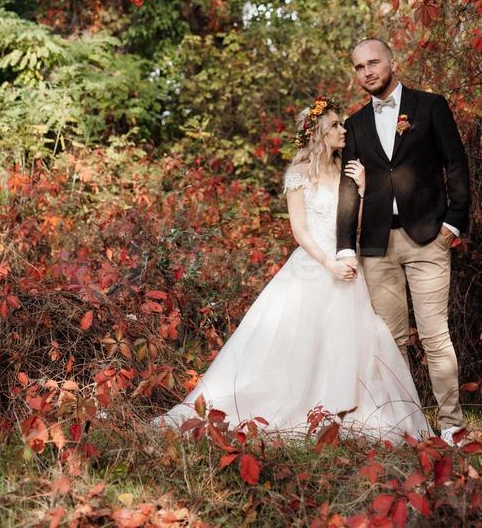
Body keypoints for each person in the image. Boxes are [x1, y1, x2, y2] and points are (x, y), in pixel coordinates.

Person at [152, 97, 429, 441]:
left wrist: (362, 188)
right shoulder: (298, 174)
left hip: (347, 264)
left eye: (343, 124)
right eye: (335, 126)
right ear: (318, 134)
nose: (344, 130)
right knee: (299, 341)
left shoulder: (347, 170)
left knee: (351, 341)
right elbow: (299, 231)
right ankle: (298, 409)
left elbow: (354, 225)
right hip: (315, 266)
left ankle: (344, 409)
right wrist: (330, 263)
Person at [336, 38, 470, 447]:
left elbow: (456, 164)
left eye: (373, 62)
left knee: (434, 337)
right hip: (377, 245)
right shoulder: (356, 124)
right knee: (391, 342)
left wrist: (454, 224)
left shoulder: (430, 106)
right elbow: (348, 187)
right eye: (359, 67)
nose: (367, 72)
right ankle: (406, 426)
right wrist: (345, 244)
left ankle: (452, 426)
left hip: (428, 238)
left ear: (393, 61)